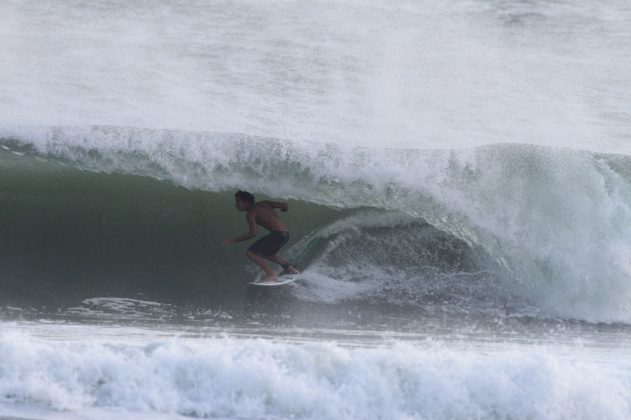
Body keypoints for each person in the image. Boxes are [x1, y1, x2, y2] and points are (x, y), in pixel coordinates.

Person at [223, 190, 300, 282]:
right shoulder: (265, 203)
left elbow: (253, 233)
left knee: (251, 252)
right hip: (285, 234)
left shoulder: (251, 213)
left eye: (238, 201)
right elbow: (285, 205)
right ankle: (289, 268)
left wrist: (233, 240)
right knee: (267, 253)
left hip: (277, 234)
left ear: (246, 202)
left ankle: (271, 274)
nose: (236, 204)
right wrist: (284, 210)